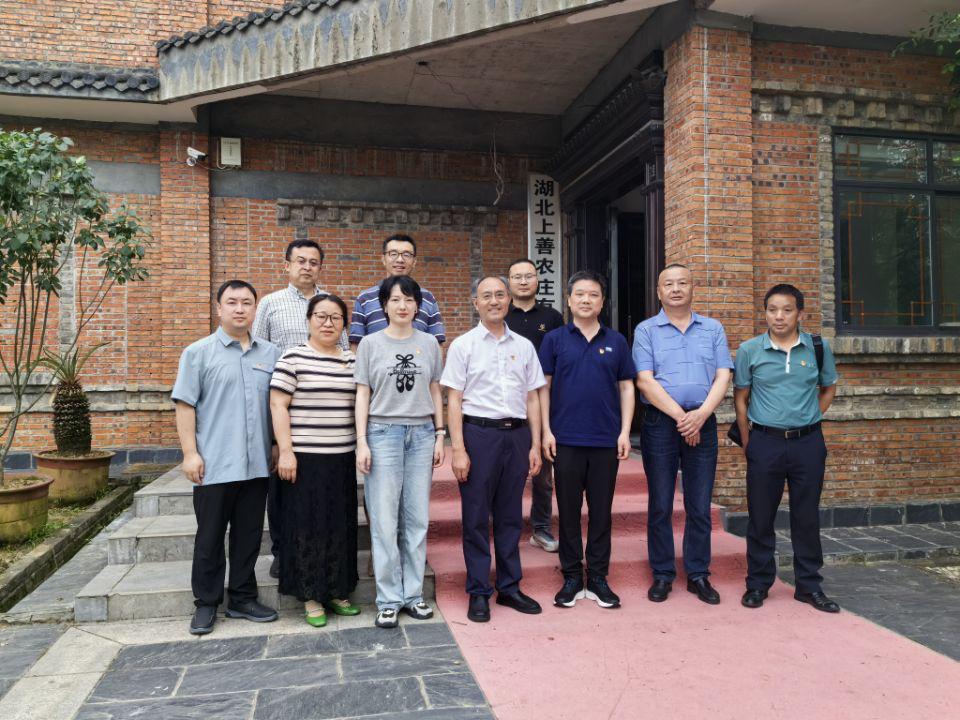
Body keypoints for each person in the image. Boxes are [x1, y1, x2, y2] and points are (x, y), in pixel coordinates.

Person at [172, 280, 281, 636]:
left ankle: (242, 598)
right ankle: (206, 603)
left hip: (257, 464)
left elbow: (277, 405)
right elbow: (185, 405)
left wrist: (277, 444)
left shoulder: (271, 354)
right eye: (232, 302)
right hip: (215, 464)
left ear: (255, 309)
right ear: (219, 308)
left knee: (248, 536)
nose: (239, 308)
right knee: (210, 537)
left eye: (247, 302)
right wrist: (190, 454)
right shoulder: (198, 353)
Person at [441, 276, 545, 623]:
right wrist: (458, 448)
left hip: (516, 436)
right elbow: (454, 399)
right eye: (486, 296)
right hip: (479, 435)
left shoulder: (524, 346)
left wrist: (534, 443)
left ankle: (510, 587)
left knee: (510, 515)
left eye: (500, 295)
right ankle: (478, 591)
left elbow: (532, 397)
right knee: (475, 516)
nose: (494, 301)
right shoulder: (464, 345)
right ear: (476, 303)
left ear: (509, 300)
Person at [734, 284, 840, 613]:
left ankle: (809, 586)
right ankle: (758, 583)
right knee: (760, 516)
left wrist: (809, 417)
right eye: (772, 310)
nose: (779, 316)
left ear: (800, 314)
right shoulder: (750, 350)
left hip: (808, 443)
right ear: (765, 313)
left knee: (806, 516)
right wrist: (749, 441)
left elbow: (829, 387)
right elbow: (741, 398)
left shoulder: (817, 347)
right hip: (765, 442)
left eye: (787, 310)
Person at [633, 263, 733, 605]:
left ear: (692, 288)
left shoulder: (713, 328)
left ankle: (698, 574)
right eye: (669, 284)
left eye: (682, 283)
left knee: (699, 504)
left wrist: (700, 416)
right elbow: (644, 380)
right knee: (660, 503)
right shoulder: (646, 330)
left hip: (703, 420)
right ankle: (662, 574)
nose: (676, 289)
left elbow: (723, 375)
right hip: (661, 424)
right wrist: (682, 418)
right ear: (659, 292)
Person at [253, 238, 348, 579]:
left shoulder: (330, 304)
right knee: (281, 482)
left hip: (322, 413)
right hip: (281, 404)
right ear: (287, 265)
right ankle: (282, 551)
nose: (307, 267)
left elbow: (344, 352)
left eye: (313, 262)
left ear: (320, 267)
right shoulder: (271, 303)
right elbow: (259, 354)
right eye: (300, 261)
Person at [540, 271, 635, 609]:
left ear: (602, 302)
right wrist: (545, 431)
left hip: (605, 440)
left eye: (593, 294)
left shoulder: (617, 341)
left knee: (601, 512)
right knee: (567, 511)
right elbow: (543, 388)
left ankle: (597, 577)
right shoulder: (554, 340)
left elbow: (627, 387)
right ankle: (570, 576)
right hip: (565, 439)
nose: (585, 300)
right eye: (579, 294)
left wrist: (624, 432)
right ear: (568, 300)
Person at [355, 276, 446, 629]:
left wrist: (440, 434)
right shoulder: (370, 344)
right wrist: (362, 440)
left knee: (416, 518)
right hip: (382, 434)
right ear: (384, 305)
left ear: (418, 305)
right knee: (384, 520)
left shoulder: (429, 343)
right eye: (395, 299)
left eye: (409, 299)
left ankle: (413, 594)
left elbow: (435, 389)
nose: (403, 305)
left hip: (422, 434)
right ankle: (389, 599)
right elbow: (362, 394)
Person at [269, 293, 361, 627]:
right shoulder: (293, 357)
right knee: (306, 527)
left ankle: (337, 591)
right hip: (304, 460)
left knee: (339, 526)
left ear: (344, 325)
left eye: (336, 317)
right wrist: (286, 450)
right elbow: (278, 405)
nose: (328, 323)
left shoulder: (352, 361)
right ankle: (311, 597)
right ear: (308, 320)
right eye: (321, 316)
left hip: (341, 459)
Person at [505, 258, 564, 553]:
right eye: (517, 276)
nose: (523, 281)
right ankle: (506, 529)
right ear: (509, 282)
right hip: (506, 403)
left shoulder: (552, 317)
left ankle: (541, 528)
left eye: (528, 276)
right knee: (508, 472)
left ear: (538, 280)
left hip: (544, 402)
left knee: (543, 474)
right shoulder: (501, 314)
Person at [349, 234, 445, 348]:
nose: (400, 260)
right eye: (393, 254)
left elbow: (437, 345)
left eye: (406, 255)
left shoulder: (428, 298)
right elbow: (356, 345)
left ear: (414, 261)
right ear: (383, 259)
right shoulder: (365, 299)